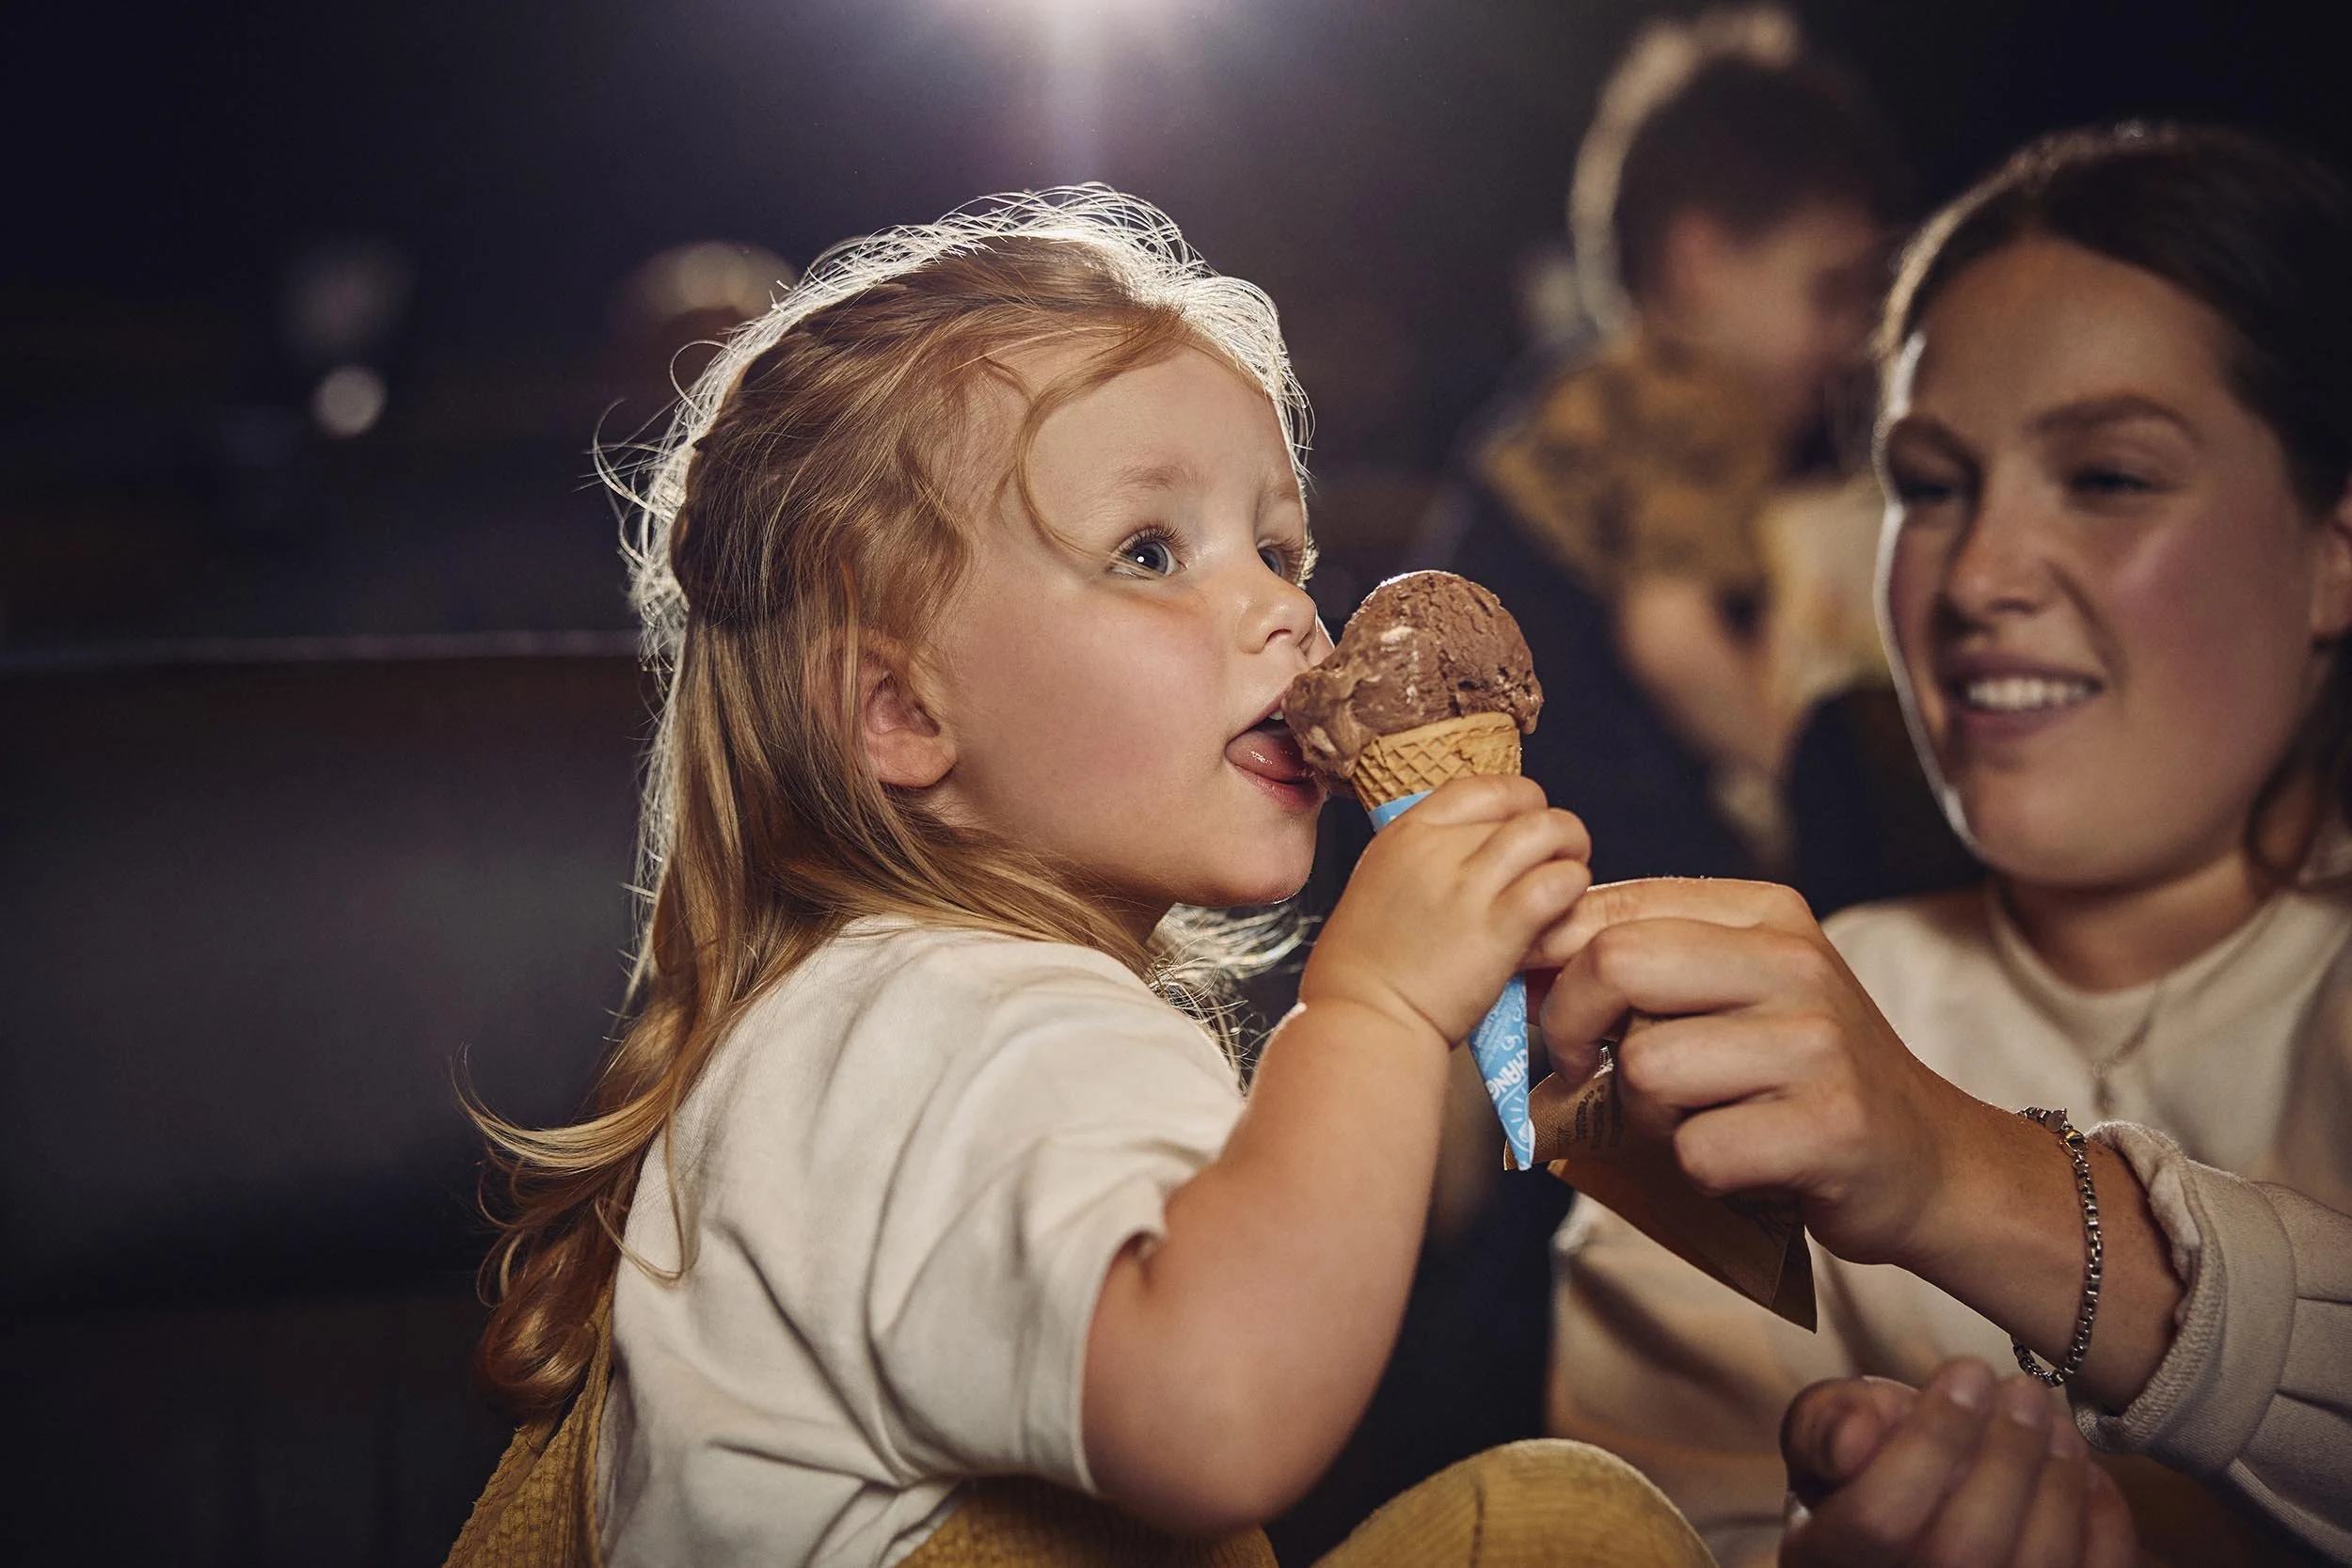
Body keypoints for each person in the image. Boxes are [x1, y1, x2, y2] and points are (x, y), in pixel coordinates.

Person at [445, 190, 1726, 1568]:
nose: (1291, 611)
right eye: (1152, 551)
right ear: (899, 709)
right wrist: (1377, 1015)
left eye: (1282, 548)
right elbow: (1218, 1408)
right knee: (1561, 1529)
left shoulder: (859, 1020)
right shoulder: (970, 1017)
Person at [1534, 124, 2352, 1566]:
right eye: (1927, 482)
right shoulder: (1752, 1036)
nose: (1976, 576)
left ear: (2333, 548)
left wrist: (1962, 1177)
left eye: (2107, 476)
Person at [1418, 6, 1903, 885]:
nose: (1847, 342)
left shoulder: (1595, 386)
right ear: (1699, 267)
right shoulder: (1693, 403)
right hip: (1565, 776)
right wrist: (1840, 802)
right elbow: (1673, 644)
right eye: (1830, 292)